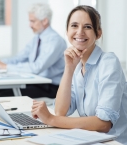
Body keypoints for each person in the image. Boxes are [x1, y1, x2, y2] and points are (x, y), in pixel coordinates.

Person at [31, 5, 127, 144]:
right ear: (67, 31)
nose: (80, 32)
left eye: (87, 27)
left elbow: (104, 124)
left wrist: (51, 120)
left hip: (114, 142)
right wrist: (69, 68)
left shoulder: (108, 62)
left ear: (98, 33)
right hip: (90, 138)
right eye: (74, 25)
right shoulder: (76, 65)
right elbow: (60, 111)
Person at [0, 3, 67, 98]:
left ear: (44, 21)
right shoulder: (37, 38)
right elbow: (19, 58)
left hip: (50, 87)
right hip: (34, 82)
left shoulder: (55, 41)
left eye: (32, 21)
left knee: (3, 95)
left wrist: (6, 66)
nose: (30, 25)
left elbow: (36, 68)